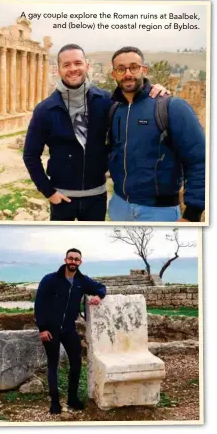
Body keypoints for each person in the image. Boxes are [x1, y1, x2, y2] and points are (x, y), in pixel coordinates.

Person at [23, 43, 168, 221]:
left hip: (96, 197)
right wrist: (49, 192)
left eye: (78, 63)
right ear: (58, 69)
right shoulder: (45, 110)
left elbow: (135, 100)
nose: (73, 69)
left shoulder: (107, 101)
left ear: (87, 66)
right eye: (66, 65)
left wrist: (155, 89)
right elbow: (30, 155)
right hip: (61, 198)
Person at [108, 46, 205, 222]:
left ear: (144, 70)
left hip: (159, 212)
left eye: (134, 67)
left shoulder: (172, 107)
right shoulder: (114, 109)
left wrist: (193, 214)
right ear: (114, 74)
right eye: (121, 69)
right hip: (119, 206)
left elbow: (200, 160)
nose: (128, 73)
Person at [34, 248, 106, 414]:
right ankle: (55, 402)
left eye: (76, 259)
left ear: (80, 262)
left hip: (69, 328)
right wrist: (42, 329)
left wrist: (98, 296)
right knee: (53, 364)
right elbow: (39, 305)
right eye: (71, 258)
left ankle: (72, 398)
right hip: (51, 329)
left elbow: (101, 287)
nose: (73, 262)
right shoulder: (50, 279)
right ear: (65, 260)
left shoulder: (82, 281)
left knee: (76, 362)